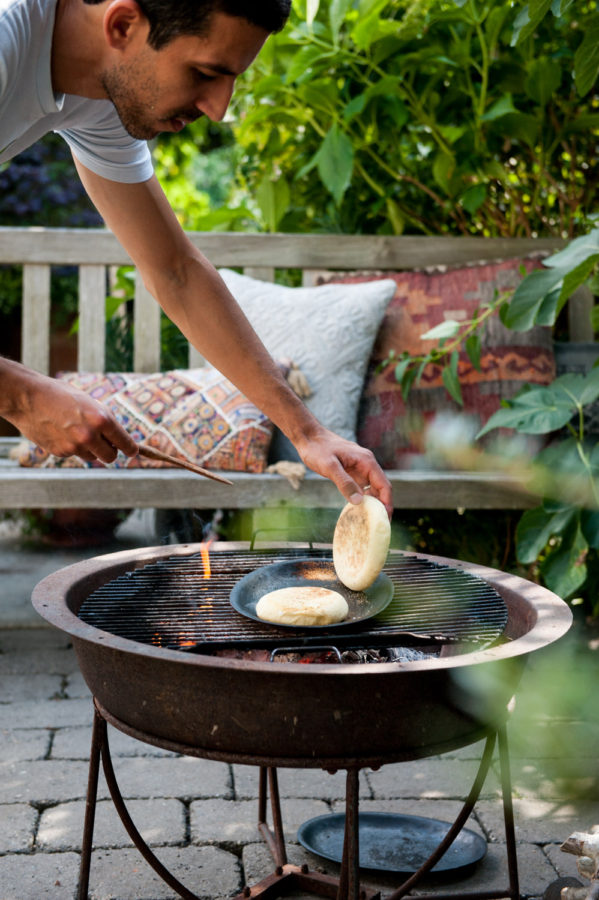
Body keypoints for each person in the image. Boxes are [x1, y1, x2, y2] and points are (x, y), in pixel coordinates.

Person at [0, 0, 392, 515]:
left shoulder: (100, 93)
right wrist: (23, 397)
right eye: (205, 73)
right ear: (122, 24)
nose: (219, 108)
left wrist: (308, 432)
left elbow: (176, 272)